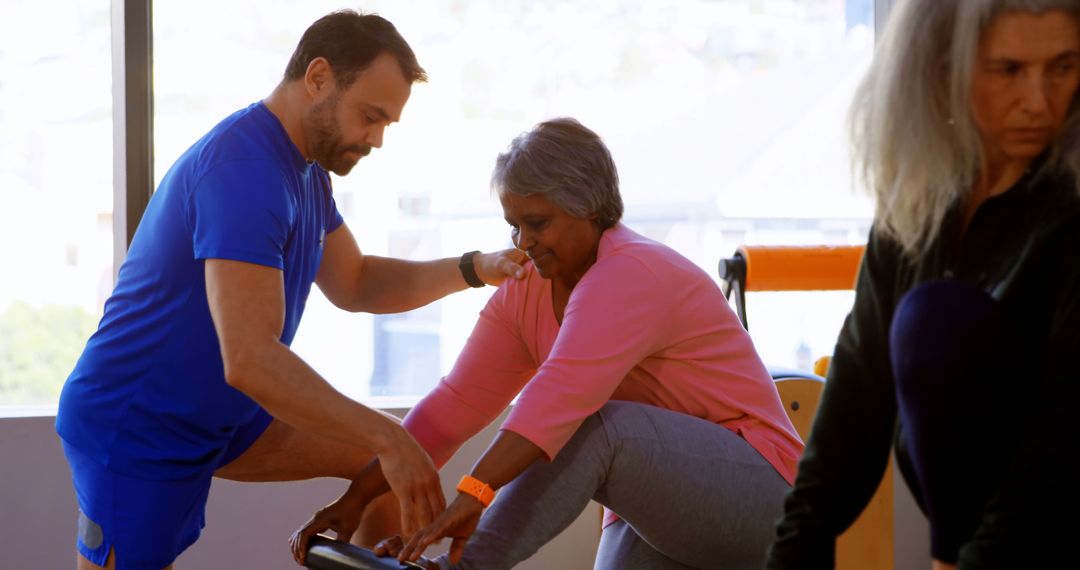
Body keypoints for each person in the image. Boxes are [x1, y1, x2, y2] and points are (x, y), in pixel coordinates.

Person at [55, 10, 525, 570]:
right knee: (390, 445)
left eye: (386, 125)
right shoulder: (245, 170)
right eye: (370, 117)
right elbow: (250, 360)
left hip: (217, 416)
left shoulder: (303, 170)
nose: (375, 139)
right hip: (137, 425)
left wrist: (475, 267)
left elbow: (357, 282)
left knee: (381, 464)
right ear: (319, 77)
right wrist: (388, 438)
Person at [289, 118, 804, 570]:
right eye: (515, 226)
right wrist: (355, 498)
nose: (524, 243)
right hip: (658, 506)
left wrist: (474, 493)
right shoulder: (525, 290)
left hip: (763, 494)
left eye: (539, 224)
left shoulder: (631, 273)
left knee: (597, 426)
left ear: (592, 209)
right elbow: (451, 408)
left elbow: (556, 401)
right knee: (595, 430)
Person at [765, 1, 1080, 568]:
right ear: (940, 70)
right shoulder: (917, 205)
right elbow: (853, 410)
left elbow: (1056, 450)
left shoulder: (1072, 215)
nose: (1038, 101)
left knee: (937, 319)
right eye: (1008, 69)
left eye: (1062, 66)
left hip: (1054, 521)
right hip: (973, 534)